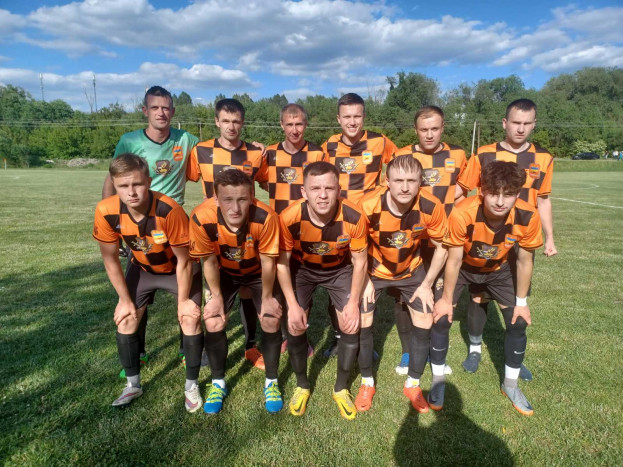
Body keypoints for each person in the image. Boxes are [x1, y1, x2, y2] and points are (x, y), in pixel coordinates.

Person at [101, 85, 201, 376]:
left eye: (166, 107)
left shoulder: (186, 139)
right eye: (155, 107)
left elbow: (213, 153)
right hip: (137, 221)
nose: (161, 112)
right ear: (144, 110)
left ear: (173, 111)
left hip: (173, 220)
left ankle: (186, 347)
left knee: (185, 282)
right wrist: (112, 219)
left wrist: (252, 146)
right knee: (136, 293)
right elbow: (113, 178)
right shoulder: (129, 140)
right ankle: (139, 352)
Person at [93, 154, 203, 411]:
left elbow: (185, 261)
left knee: (190, 318)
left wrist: (183, 301)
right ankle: (133, 385)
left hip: (178, 269)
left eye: (137, 184)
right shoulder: (106, 211)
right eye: (123, 186)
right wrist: (124, 300)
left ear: (149, 182)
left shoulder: (169, 210)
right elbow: (110, 260)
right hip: (142, 269)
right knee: (126, 318)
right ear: (114, 185)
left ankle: (191, 386)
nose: (131, 192)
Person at [433, 161, 543, 416]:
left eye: (508, 194)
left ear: (518, 193)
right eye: (494, 193)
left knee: (517, 322)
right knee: (441, 317)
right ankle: (438, 381)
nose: (500, 202)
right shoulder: (462, 212)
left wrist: (522, 303)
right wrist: (446, 300)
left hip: (498, 270)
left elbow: (524, 261)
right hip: (463, 267)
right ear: (481, 191)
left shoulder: (528, 215)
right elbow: (454, 260)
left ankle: (510, 385)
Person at [457, 98, 555, 379]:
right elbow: (465, 192)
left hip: (521, 237)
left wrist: (550, 237)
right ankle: (475, 348)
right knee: (479, 296)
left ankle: (514, 357)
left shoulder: (544, 158)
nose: (520, 129)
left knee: (516, 300)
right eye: (515, 122)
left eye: (526, 123)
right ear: (505, 123)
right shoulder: (484, 154)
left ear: (534, 124)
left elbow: (543, 200)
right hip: (486, 235)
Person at [357, 155, 447, 413]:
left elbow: (442, 247)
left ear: (420, 182)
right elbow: (357, 248)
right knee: (363, 319)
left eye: (411, 181)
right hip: (375, 269)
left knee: (425, 318)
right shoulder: (367, 205)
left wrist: (427, 284)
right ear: (387, 181)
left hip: (412, 270)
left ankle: (413, 384)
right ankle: (366, 382)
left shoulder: (431, 205)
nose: (405, 187)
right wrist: (364, 280)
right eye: (398, 180)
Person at [277, 162, 368, 419]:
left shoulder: (354, 216)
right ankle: (302, 385)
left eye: (329, 188)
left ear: (338, 190)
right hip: (302, 270)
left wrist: (353, 303)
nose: (323, 195)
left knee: (350, 323)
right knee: (295, 324)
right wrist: (292, 306)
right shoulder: (289, 218)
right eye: (315, 188)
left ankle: (341, 388)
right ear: (303, 192)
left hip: (339, 269)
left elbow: (360, 262)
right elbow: (282, 264)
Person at [189, 169, 283, 414]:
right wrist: (216, 297)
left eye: (242, 199)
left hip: (258, 271)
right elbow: (208, 262)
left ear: (251, 196)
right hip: (224, 271)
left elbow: (268, 262)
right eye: (228, 200)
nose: (235, 208)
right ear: (216, 198)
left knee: (271, 319)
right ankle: (218, 383)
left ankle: (272, 382)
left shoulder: (266, 217)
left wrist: (268, 298)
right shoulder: (200, 217)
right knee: (214, 319)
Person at [187, 98, 266, 369]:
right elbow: (179, 178)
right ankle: (208, 345)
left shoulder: (255, 153)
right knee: (213, 289)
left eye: (236, 121)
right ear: (216, 121)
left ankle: (251, 344)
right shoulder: (201, 150)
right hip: (212, 229)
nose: (231, 126)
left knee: (246, 289)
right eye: (226, 121)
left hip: (246, 230)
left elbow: (269, 182)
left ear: (242, 123)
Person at [321, 92, 397, 357]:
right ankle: (338, 336)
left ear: (364, 117)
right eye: (347, 117)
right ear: (338, 119)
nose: (352, 122)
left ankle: (366, 341)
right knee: (337, 284)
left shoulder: (379, 141)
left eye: (357, 116)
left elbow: (399, 164)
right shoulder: (329, 146)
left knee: (366, 286)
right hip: (339, 224)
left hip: (369, 225)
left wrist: (385, 189)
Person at [393, 105, 467, 375]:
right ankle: (407, 352)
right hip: (410, 240)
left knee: (440, 295)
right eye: (424, 129)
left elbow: (463, 189)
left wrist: (443, 203)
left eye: (435, 128)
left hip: (442, 241)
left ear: (443, 127)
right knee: (404, 298)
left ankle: (436, 354)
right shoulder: (402, 155)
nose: (429, 134)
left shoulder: (458, 154)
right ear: (415, 130)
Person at [256, 103, 327, 356]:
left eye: (299, 124)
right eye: (289, 124)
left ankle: (299, 335)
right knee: (280, 285)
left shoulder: (318, 153)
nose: (294, 129)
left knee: (301, 286)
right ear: (281, 125)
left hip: (308, 229)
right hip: (278, 230)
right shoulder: (270, 153)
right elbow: (261, 180)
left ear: (305, 124)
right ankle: (286, 335)